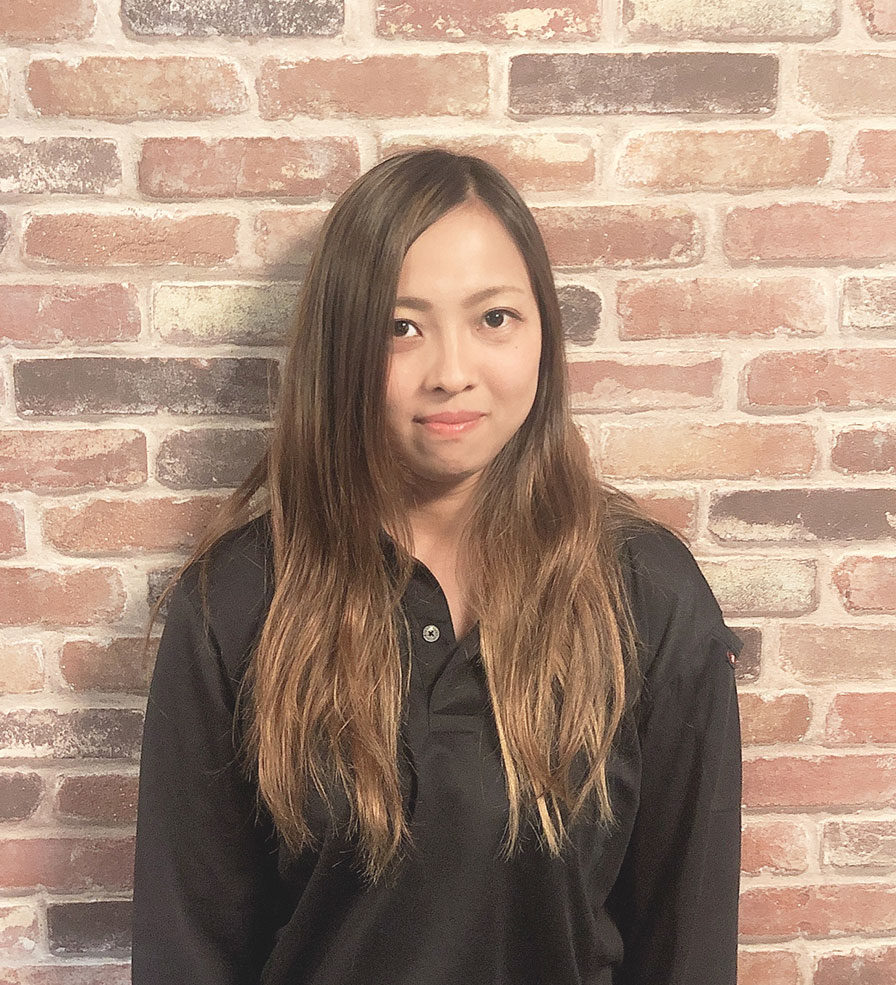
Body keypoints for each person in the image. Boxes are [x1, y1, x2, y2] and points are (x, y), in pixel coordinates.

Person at [130, 148, 744, 985]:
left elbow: (687, 944)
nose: (452, 373)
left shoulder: (647, 597)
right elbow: (186, 952)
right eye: (401, 326)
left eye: (494, 318)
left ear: (543, 332)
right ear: (342, 347)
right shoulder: (236, 602)